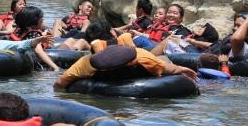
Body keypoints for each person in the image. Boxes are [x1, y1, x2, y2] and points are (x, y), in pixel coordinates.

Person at [54, 44, 197, 89]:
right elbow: (60, 83)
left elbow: (172, 69)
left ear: (131, 63)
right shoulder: (86, 63)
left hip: (152, 66)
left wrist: (184, 69)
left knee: (163, 60)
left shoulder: (143, 57)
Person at [10, 7, 59, 71]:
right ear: (34, 21)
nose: (43, 20)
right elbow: (39, 52)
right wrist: (55, 67)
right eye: (41, 19)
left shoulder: (19, 30)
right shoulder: (34, 34)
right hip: (35, 64)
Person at [60, 20, 136, 52]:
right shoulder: (124, 38)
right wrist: (128, 26)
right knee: (71, 40)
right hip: (99, 45)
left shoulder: (119, 39)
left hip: (97, 47)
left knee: (79, 42)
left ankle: (60, 57)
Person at [151, 22, 219, 56]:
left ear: (207, 33)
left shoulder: (203, 41)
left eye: (203, 29)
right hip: (188, 51)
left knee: (169, 41)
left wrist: (192, 41)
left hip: (194, 55)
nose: (200, 28)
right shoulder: (195, 37)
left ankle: (149, 57)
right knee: (169, 39)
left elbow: (211, 45)